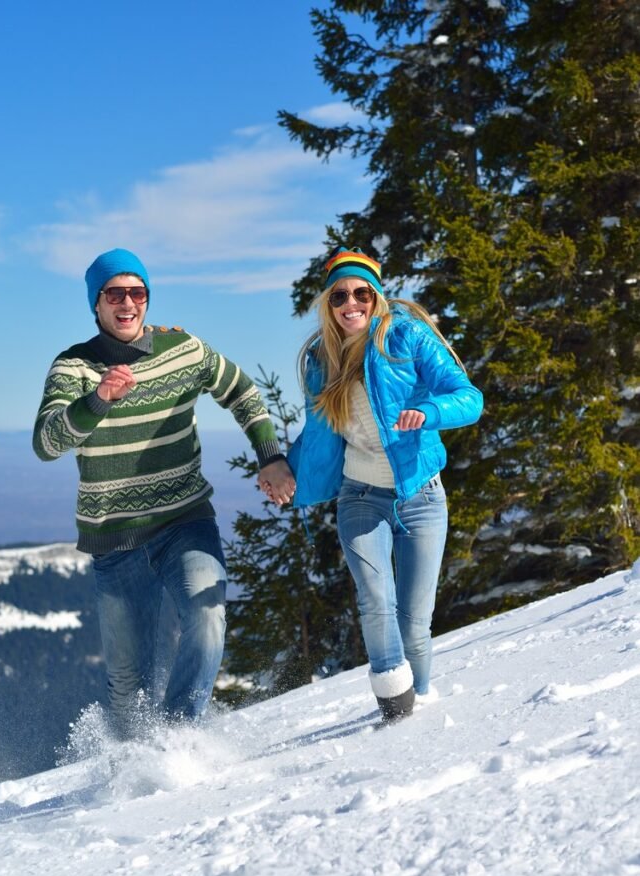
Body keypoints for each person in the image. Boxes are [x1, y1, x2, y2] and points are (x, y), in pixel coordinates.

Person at [33, 248, 295, 737]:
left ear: (147, 300)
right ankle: (134, 777)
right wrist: (98, 400)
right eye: (115, 293)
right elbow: (46, 442)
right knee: (128, 686)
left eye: (137, 292)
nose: (127, 302)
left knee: (207, 614)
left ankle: (178, 740)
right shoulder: (74, 366)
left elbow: (241, 391)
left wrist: (270, 455)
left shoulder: (183, 349)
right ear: (97, 304)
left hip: (184, 522)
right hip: (114, 540)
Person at [274, 245, 483, 723]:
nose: (352, 303)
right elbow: (321, 435)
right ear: (328, 304)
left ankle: (422, 701)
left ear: (377, 296)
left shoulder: (407, 338)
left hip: (422, 496)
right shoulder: (321, 361)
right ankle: (396, 708)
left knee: (414, 622)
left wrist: (429, 412)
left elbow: (469, 398)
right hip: (360, 496)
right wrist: (288, 467)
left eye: (361, 293)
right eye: (340, 296)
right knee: (375, 599)